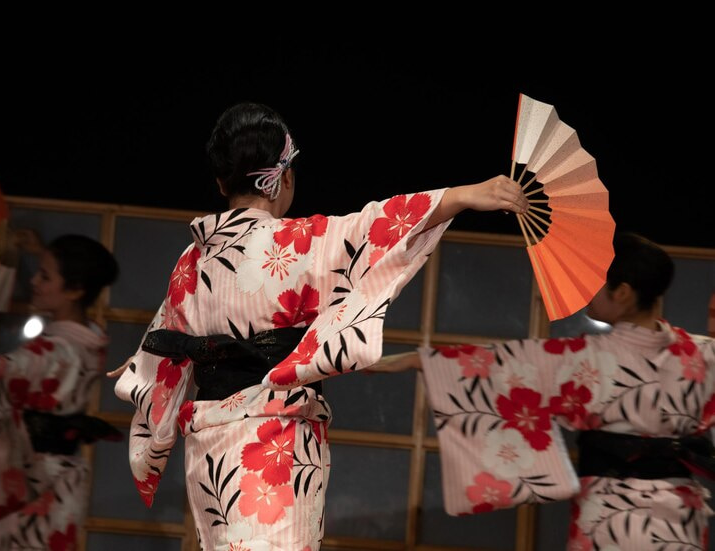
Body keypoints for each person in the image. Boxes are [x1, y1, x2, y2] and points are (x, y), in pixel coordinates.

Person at [109, 101, 528, 550]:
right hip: (276, 442)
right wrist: (464, 195)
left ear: (220, 181)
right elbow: (377, 227)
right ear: (283, 177)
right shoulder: (295, 243)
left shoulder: (192, 260)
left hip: (209, 451)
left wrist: (141, 364)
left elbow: (167, 340)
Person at [373, 232, 715, 550]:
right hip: (680, 517)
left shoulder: (583, 359)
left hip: (608, 518)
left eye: (594, 282)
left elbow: (493, 364)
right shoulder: (705, 355)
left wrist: (405, 360)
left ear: (622, 292)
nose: (584, 291)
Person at [0, 233, 122, 551]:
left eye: (44, 275)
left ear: (75, 289)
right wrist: (42, 251)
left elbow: (17, 364)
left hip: (40, 478)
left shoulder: (59, 346)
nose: (33, 280)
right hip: (59, 474)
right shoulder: (90, 337)